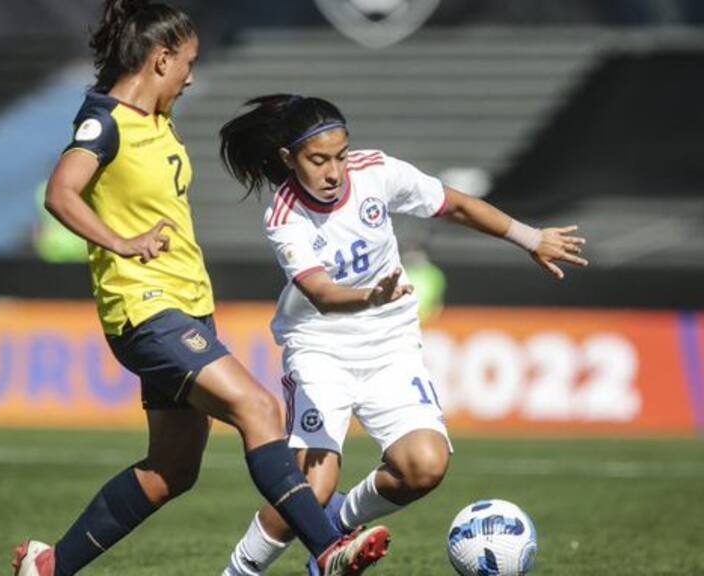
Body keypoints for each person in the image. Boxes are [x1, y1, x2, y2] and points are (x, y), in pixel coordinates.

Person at [11, 3, 391, 576]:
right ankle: (327, 546)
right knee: (257, 407)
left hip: (186, 310)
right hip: (147, 311)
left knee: (172, 469)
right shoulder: (104, 122)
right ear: (160, 59)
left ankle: (49, 568)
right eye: (187, 63)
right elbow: (61, 193)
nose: (191, 76)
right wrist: (122, 241)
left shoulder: (155, 121)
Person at [217, 94, 588, 575]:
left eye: (340, 155)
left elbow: (453, 204)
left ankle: (336, 529)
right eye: (318, 160)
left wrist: (530, 238)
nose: (334, 172)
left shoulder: (378, 172)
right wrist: (369, 296)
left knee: (424, 466)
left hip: (390, 347)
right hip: (321, 350)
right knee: (312, 489)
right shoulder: (285, 214)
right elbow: (323, 294)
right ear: (288, 160)